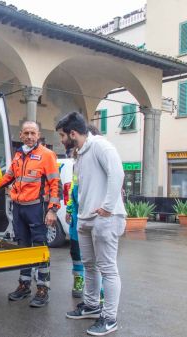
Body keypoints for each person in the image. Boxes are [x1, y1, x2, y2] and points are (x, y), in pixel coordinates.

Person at [57, 112, 126, 336]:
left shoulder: (100, 146)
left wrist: (107, 206)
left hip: (105, 218)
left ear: (73, 133)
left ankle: (109, 318)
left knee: (108, 269)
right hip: (86, 219)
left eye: (62, 136)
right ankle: (92, 305)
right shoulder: (80, 154)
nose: (61, 140)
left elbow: (117, 174)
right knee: (89, 265)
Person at [0, 120, 61, 308]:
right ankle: (24, 285)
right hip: (19, 208)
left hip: (37, 209)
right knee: (23, 248)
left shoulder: (47, 155)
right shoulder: (18, 157)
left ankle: (43, 289)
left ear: (39, 135)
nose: (30, 136)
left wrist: (52, 210)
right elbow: (6, 178)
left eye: (33, 133)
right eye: (26, 133)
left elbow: (55, 184)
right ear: (21, 136)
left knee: (39, 249)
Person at [63, 124, 104, 300]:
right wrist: (70, 209)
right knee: (77, 251)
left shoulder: (100, 155)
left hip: (95, 214)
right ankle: (79, 281)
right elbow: (74, 187)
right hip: (77, 216)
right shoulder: (76, 161)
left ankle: (100, 290)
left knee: (98, 256)